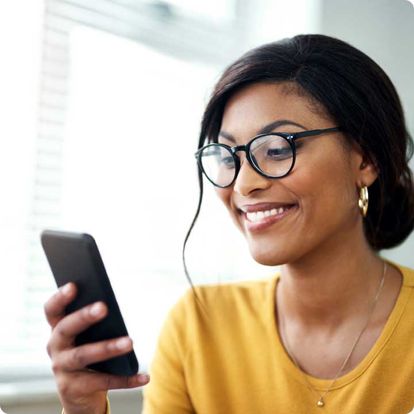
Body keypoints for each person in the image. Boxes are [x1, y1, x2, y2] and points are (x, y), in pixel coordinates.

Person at [44, 34, 414, 414]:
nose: (242, 184)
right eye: (227, 155)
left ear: (366, 160)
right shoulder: (198, 326)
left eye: (276, 149)